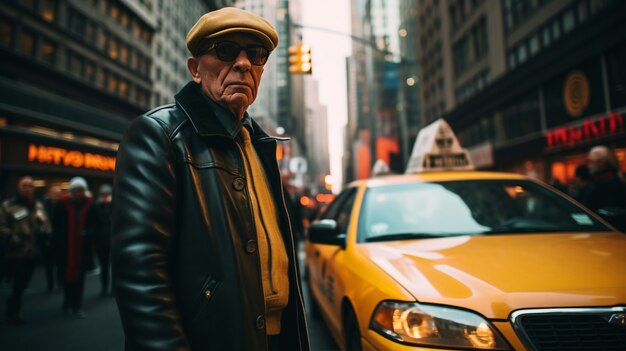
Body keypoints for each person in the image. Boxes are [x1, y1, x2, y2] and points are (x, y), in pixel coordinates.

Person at [111, 7, 310, 351]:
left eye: (257, 54)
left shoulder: (260, 145)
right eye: (226, 50)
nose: (244, 63)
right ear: (195, 69)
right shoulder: (158, 135)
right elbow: (140, 278)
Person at [0, 176, 51, 324]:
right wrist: (12, 239)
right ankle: (14, 310)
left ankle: (13, 306)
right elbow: (1, 226)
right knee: (19, 280)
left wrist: (44, 228)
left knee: (24, 280)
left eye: (30, 186)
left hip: (33, 252)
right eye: (25, 186)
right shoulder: (8, 206)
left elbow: (47, 226)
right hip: (15, 253)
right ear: (19, 188)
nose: (28, 188)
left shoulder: (38, 206)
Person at [52, 176, 95, 318]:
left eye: (81, 190)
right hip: (65, 250)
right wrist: (60, 239)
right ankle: (66, 302)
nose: (79, 193)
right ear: (71, 191)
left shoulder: (90, 205)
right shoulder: (61, 205)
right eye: (76, 190)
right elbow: (55, 227)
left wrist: (88, 233)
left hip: (82, 250)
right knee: (66, 278)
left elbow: (97, 226)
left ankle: (76, 305)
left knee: (80, 279)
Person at [586, 145, 626, 230]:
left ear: (600, 162)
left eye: (590, 161)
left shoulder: (605, 183)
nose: (588, 165)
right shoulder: (611, 180)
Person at [41, 183, 62, 292]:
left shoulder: (62, 205)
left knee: (59, 263)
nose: (56, 195)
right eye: (54, 193)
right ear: (49, 193)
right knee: (48, 263)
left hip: (59, 238)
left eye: (58, 193)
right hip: (47, 238)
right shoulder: (43, 205)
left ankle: (59, 283)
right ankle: (50, 284)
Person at [92, 184, 113, 296]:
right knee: (104, 266)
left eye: (107, 194)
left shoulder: (114, 206)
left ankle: (113, 288)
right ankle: (104, 287)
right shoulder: (96, 206)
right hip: (101, 241)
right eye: (103, 195)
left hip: (113, 241)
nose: (105, 197)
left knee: (113, 266)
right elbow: (93, 223)